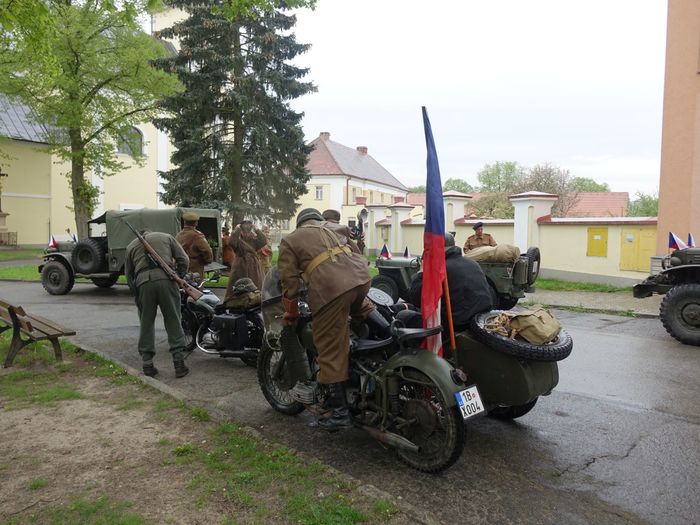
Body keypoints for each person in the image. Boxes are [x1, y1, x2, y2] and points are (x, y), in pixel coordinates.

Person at [277, 208, 374, 431]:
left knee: (329, 348)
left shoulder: (291, 239)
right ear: (318, 220)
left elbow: (289, 281)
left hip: (331, 290)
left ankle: (340, 413)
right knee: (362, 310)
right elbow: (357, 252)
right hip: (361, 280)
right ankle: (385, 340)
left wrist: (291, 311)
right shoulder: (334, 228)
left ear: (300, 223)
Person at [125, 230, 191, 378]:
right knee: (173, 319)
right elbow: (184, 259)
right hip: (167, 280)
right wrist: (179, 276)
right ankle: (179, 363)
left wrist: (137, 293)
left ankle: (147, 364)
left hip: (143, 283)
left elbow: (129, 275)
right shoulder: (166, 237)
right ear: (151, 231)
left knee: (146, 322)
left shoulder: (131, 246)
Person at [409, 232, 493, 331]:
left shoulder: (440, 269)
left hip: (454, 326)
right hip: (480, 320)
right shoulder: (473, 263)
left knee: (405, 316)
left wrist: (421, 272)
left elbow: (417, 299)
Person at [224, 220, 267, 301]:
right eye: (244, 230)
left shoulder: (254, 240)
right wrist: (237, 230)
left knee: (255, 285)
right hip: (240, 266)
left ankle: (255, 300)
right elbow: (231, 243)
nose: (246, 233)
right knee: (238, 285)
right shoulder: (237, 240)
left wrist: (256, 229)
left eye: (248, 230)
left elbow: (263, 241)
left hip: (253, 266)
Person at [175, 211, 213, 278]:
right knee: (196, 283)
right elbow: (207, 251)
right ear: (196, 223)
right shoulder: (197, 235)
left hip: (181, 267)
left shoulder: (178, 235)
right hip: (195, 268)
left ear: (184, 222)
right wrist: (208, 260)